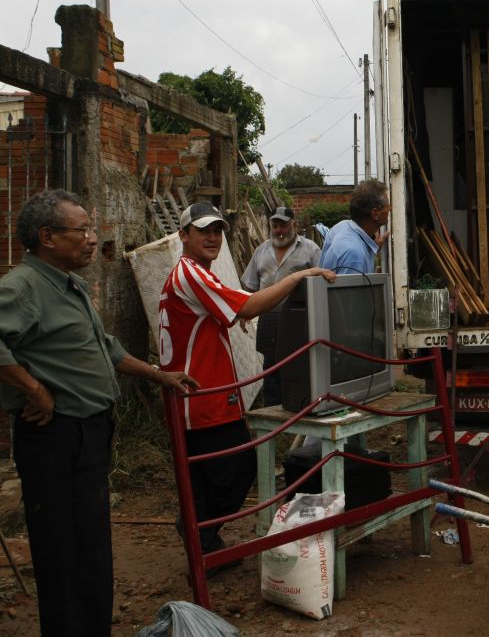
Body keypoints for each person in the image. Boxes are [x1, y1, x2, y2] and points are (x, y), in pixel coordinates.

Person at [0, 189, 198, 637]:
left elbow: (105, 350)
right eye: (83, 230)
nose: (93, 239)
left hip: (88, 435)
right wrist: (33, 390)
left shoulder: (70, 286)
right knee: (61, 549)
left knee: (90, 544)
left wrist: (158, 375)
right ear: (47, 237)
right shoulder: (22, 288)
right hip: (54, 437)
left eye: (92, 229)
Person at [159, 202, 335, 559]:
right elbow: (249, 305)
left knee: (211, 476)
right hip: (201, 397)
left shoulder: (197, 273)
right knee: (233, 470)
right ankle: (199, 535)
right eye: (203, 230)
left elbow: (232, 307)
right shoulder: (191, 273)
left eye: (217, 230)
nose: (212, 237)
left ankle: (203, 540)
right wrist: (297, 277)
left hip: (203, 394)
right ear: (183, 235)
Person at [241, 206, 321, 407]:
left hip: (298, 319)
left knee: (298, 366)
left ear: (293, 225)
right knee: (270, 367)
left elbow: (321, 283)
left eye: (283, 225)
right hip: (268, 317)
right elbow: (249, 285)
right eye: (275, 226)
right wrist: (245, 312)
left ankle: (299, 408)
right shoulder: (261, 250)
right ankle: (272, 412)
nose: (279, 230)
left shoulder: (310, 249)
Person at [319, 179, 391, 275]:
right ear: (375, 213)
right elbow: (351, 290)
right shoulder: (354, 255)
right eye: (387, 206)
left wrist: (371, 248)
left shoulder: (342, 226)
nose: (389, 210)